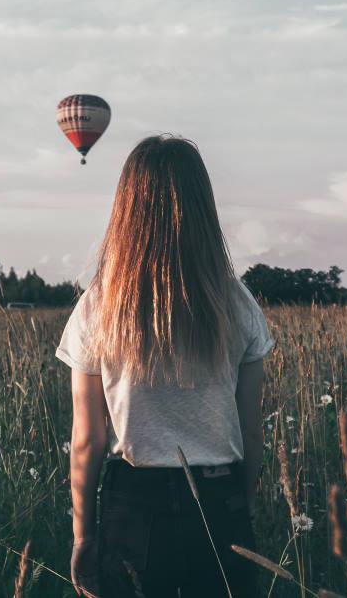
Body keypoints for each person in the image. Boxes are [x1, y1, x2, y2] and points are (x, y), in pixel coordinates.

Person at [56, 135, 274, 598]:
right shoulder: (237, 303)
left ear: (126, 207)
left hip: (133, 505)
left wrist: (83, 537)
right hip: (220, 501)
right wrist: (245, 506)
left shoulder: (98, 305)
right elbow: (251, 432)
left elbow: (87, 441)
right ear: (202, 206)